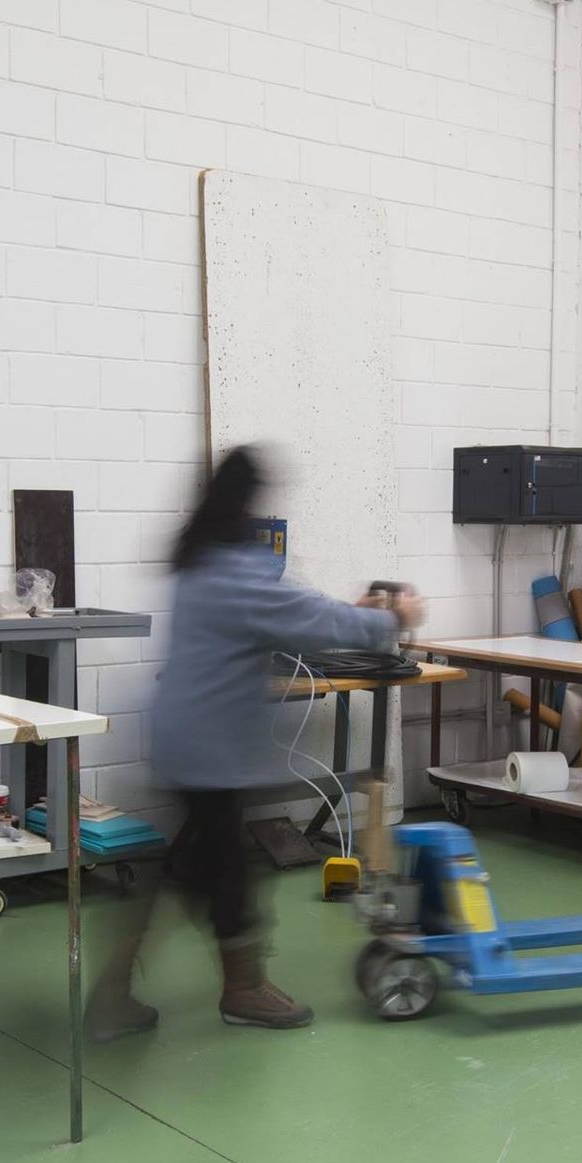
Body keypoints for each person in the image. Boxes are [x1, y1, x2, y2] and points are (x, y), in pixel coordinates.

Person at [87, 445, 426, 1038]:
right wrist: (392, 619)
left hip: (192, 741)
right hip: (207, 751)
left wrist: (353, 612)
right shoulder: (233, 570)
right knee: (225, 874)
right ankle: (237, 991)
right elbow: (302, 615)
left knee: (195, 868)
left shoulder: (201, 560)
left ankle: (120, 991)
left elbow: (293, 612)